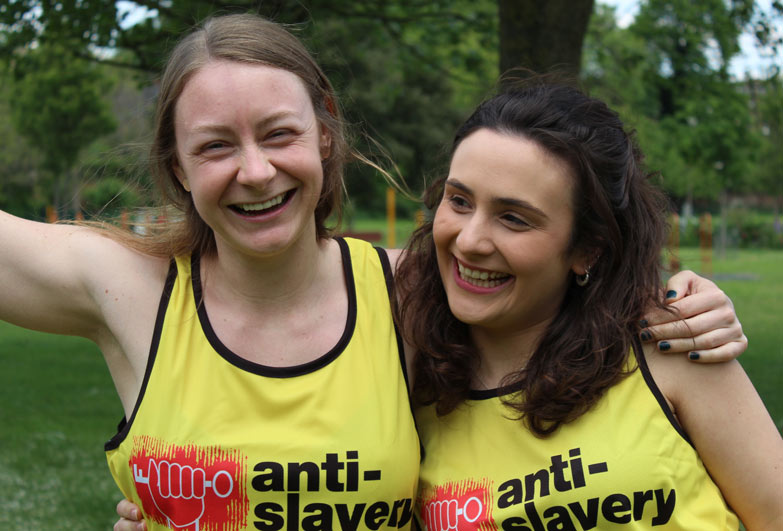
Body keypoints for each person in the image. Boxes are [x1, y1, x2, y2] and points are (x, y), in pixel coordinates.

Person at [5, 14, 740, 531]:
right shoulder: (126, 289)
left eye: (279, 134)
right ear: (176, 164)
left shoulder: (416, 292)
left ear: (324, 135)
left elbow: (556, 286)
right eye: (215, 146)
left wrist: (683, 299)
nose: (254, 170)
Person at [392, 82, 782, 530]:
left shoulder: (669, 344)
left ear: (588, 249)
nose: (469, 240)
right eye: (459, 201)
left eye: (513, 218)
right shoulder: (411, 371)